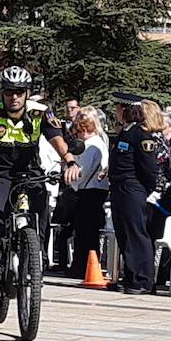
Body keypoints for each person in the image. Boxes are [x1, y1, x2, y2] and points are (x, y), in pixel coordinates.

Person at [0, 66, 78, 310]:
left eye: (19, 92)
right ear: (2, 93)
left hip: (29, 173)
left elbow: (56, 138)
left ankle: (37, 261)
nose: (14, 97)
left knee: (41, 213)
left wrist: (69, 161)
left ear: (27, 93)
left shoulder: (40, 113)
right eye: (9, 92)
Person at [107, 94, 167, 293]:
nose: (116, 112)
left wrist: (145, 189)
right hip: (119, 187)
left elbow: (149, 168)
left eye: (119, 108)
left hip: (132, 187)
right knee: (123, 233)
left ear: (126, 110)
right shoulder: (126, 132)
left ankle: (143, 280)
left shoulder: (141, 135)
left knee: (136, 234)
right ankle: (130, 276)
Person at [69, 107, 110, 278]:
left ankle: (82, 266)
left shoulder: (91, 145)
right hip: (94, 189)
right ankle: (84, 265)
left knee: (85, 231)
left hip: (89, 191)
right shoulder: (99, 143)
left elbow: (82, 171)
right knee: (87, 231)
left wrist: (70, 177)